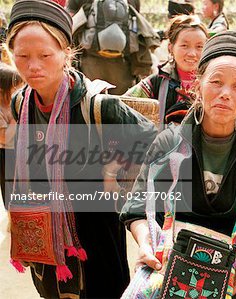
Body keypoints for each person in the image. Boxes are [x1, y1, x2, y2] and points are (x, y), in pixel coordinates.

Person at [120, 31, 236, 298]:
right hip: (166, 272)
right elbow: (138, 206)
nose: (225, 94)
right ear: (198, 86)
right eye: (216, 81)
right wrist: (146, 244)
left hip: (233, 283)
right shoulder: (168, 143)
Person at [6, 0, 158, 298]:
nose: (33, 66)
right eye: (22, 56)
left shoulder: (99, 107)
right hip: (47, 237)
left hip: (96, 237)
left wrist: (115, 167)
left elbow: (156, 143)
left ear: (67, 53)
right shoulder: (21, 103)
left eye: (45, 55)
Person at [124, 15, 208, 125]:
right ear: (171, 48)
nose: (192, 54)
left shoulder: (212, 82)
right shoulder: (156, 83)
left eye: (199, 47)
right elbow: (125, 104)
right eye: (184, 45)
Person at [67, 0, 154, 95]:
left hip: (90, 62)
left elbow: (70, 23)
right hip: (122, 63)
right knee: (120, 103)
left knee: (91, 101)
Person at [0, 63, 23, 207]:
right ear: (2, 90)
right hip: (7, 154)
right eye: (15, 88)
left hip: (20, 150)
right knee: (11, 191)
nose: (19, 90)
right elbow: (4, 138)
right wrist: (16, 117)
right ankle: (13, 221)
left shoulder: (12, 102)